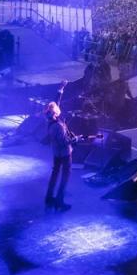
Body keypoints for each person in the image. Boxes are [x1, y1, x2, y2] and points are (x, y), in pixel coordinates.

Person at [45, 80, 77, 212]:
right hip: (64, 154)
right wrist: (74, 140)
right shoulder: (58, 126)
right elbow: (65, 142)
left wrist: (61, 88)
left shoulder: (51, 120)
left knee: (54, 174)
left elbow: (55, 102)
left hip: (56, 153)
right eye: (57, 110)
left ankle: (49, 197)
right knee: (65, 177)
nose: (59, 109)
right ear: (55, 113)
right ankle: (59, 201)